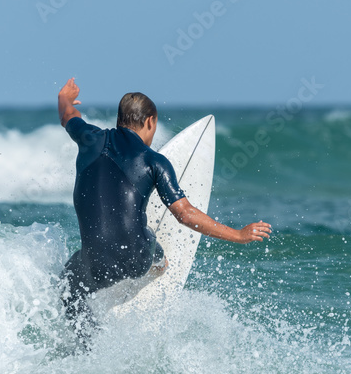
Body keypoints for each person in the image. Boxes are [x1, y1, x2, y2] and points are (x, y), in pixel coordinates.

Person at [57, 77, 271, 339]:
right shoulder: (154, 161)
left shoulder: (87, 137)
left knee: (68, 279)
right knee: (152, 246)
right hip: (135, 260)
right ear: (150, 122)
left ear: (120, 119)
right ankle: (159, 266)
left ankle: (83, 340)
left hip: (94, 266)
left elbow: (68, 115)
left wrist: (64, 98)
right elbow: (185, 214)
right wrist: (237, 235)